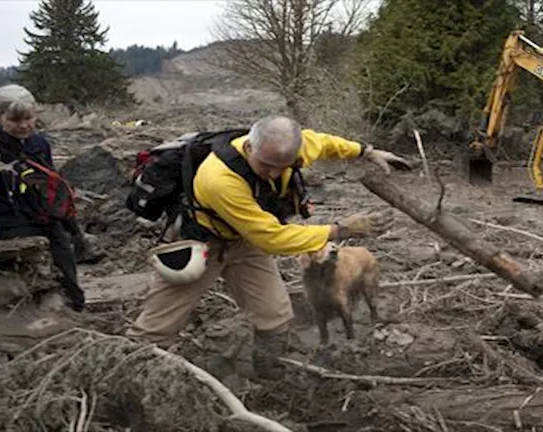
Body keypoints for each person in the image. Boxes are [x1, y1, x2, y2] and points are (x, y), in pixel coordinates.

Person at [126, 115, 410, 379]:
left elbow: (323, 142)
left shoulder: (288, 150)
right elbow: (272, 238)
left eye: (282, 167)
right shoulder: (219, 179)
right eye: (266, 165)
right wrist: (340, 229)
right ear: (250, 147)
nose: (274, 174)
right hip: (203, 242)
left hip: (245, 242)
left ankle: (268, 377)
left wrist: (367, 151)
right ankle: (129, 373)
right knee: (157, 326)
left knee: (274, 315)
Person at [0, 84, 101, 312]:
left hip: (45, 216)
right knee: (21, 282)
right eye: (15, 120)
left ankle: (76, 310)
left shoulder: (39, 143)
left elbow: (51, 183)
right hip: (9, 222)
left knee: (66, 271)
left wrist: (73, 230)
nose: (24, 126)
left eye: (28, 118)